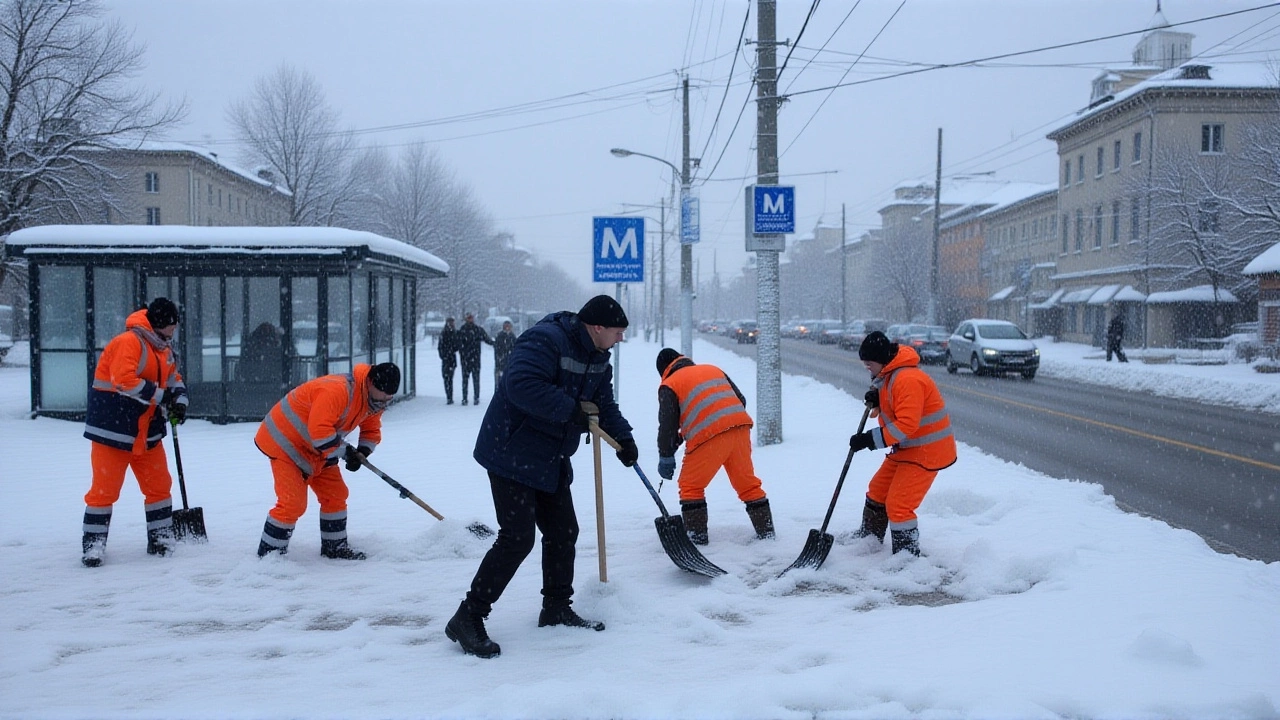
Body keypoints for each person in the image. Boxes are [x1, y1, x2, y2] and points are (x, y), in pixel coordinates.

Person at [446, 295, 638, 659]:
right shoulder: (545, 339)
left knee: (564, 531)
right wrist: (571, 412)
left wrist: (624, 439)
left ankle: (555, 608)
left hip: (549, 455)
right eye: (617, 332)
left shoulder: (598, 357)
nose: (620, 339)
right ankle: (468, 616)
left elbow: (603, 404)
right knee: (517, 539)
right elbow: (520, 385)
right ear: (597, 327)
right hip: (511, 449)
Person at [80, 297, 189, 567]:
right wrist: (163, 397)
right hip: (113, 431)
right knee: (104, 491)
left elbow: (175, 378)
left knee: (159, 486)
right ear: (160, 324)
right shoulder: (129, 343)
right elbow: (124, 380)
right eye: (172, 326)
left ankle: (161, 536)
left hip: (147, 432)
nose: (174, 331)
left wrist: (180, 402)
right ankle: (93, 546)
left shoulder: (163, 349)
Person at [253, 362, 401, 560]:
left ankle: (335, 548)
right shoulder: (337, 391)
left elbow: (371, 428)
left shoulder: (373, 400)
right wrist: (345, 452)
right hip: (285, 444)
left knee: (336, 494)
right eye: (383, 397)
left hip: (318, 450)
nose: (384, 403)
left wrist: (363, 452)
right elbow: (320, 432)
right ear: (371, 382)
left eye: (388, 400)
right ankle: (269, 556)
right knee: (293, 504)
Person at [847, 331, 957, 556]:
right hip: (907, 448)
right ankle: (869, 541)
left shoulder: (908, 379)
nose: (867, 368)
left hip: (927, 452)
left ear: (882, 360)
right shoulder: (890, 376)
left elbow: (907, 424)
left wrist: (870, 439)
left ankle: (906, 558)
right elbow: (892, 401)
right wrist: (877, 396)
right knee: (877, 491)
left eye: (869, 364)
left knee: (899, 505)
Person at [654, 348, 774, 545]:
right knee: (747, 484)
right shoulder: (713, 369)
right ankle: (767, 534)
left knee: (691, 486)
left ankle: (697, 541)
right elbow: (740, 400)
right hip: (740, 428)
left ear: (664, 370)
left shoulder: (670, 384)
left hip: (709, 437)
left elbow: (668, 425)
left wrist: (666, 455)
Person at [456, 312, 493, 405]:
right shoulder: (463, 330)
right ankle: (464, 398)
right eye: (468, 318)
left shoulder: (478, 329)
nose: (470, 319)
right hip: (466, 360)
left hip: (475, 359)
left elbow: (487, 339)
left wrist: (496, 343)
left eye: (471, 318)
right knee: (465, 380)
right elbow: (458, 344)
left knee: (476, 379)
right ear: (466, 319)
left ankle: (476, 398)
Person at [438, 317, 459, 404]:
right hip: (447, 359)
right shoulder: (444, 333)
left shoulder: (454, 333)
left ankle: (449, 396)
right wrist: (443, 356)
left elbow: (457, 345)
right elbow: (440, 347)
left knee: (448, 378)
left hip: (450, 359)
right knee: (447, 378)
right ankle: (449, 396)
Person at [492, 320, 516, 388]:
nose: (507, 328)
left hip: (510, 364)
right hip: (500, 363)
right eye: (506, 326)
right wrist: (498, 360)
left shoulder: (513, 337)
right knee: (498, 384)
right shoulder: (500, 336)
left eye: (509, 326)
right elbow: (496, 350)